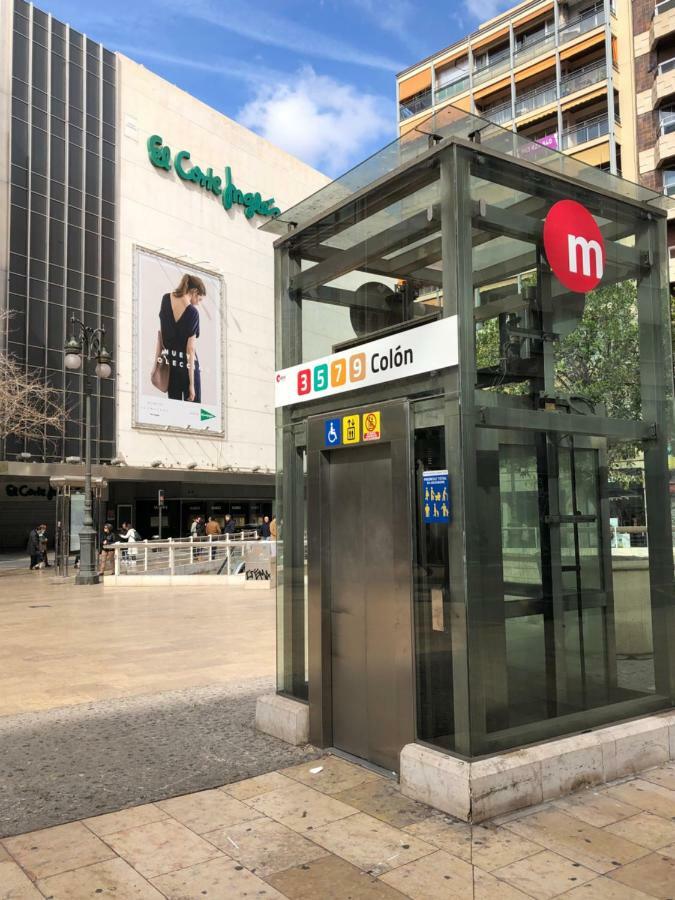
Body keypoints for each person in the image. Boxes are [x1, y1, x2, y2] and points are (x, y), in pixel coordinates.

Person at [158, 273, 206, 403]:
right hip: (188, 368)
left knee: (174, 411)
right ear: (194, 291)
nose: (198, 304)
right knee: (194, 415)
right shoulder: (192, 313)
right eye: (199, 299)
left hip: (172, 366)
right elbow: (190, 349)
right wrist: (191, 384)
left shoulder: (166, 299)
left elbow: (163, 334)